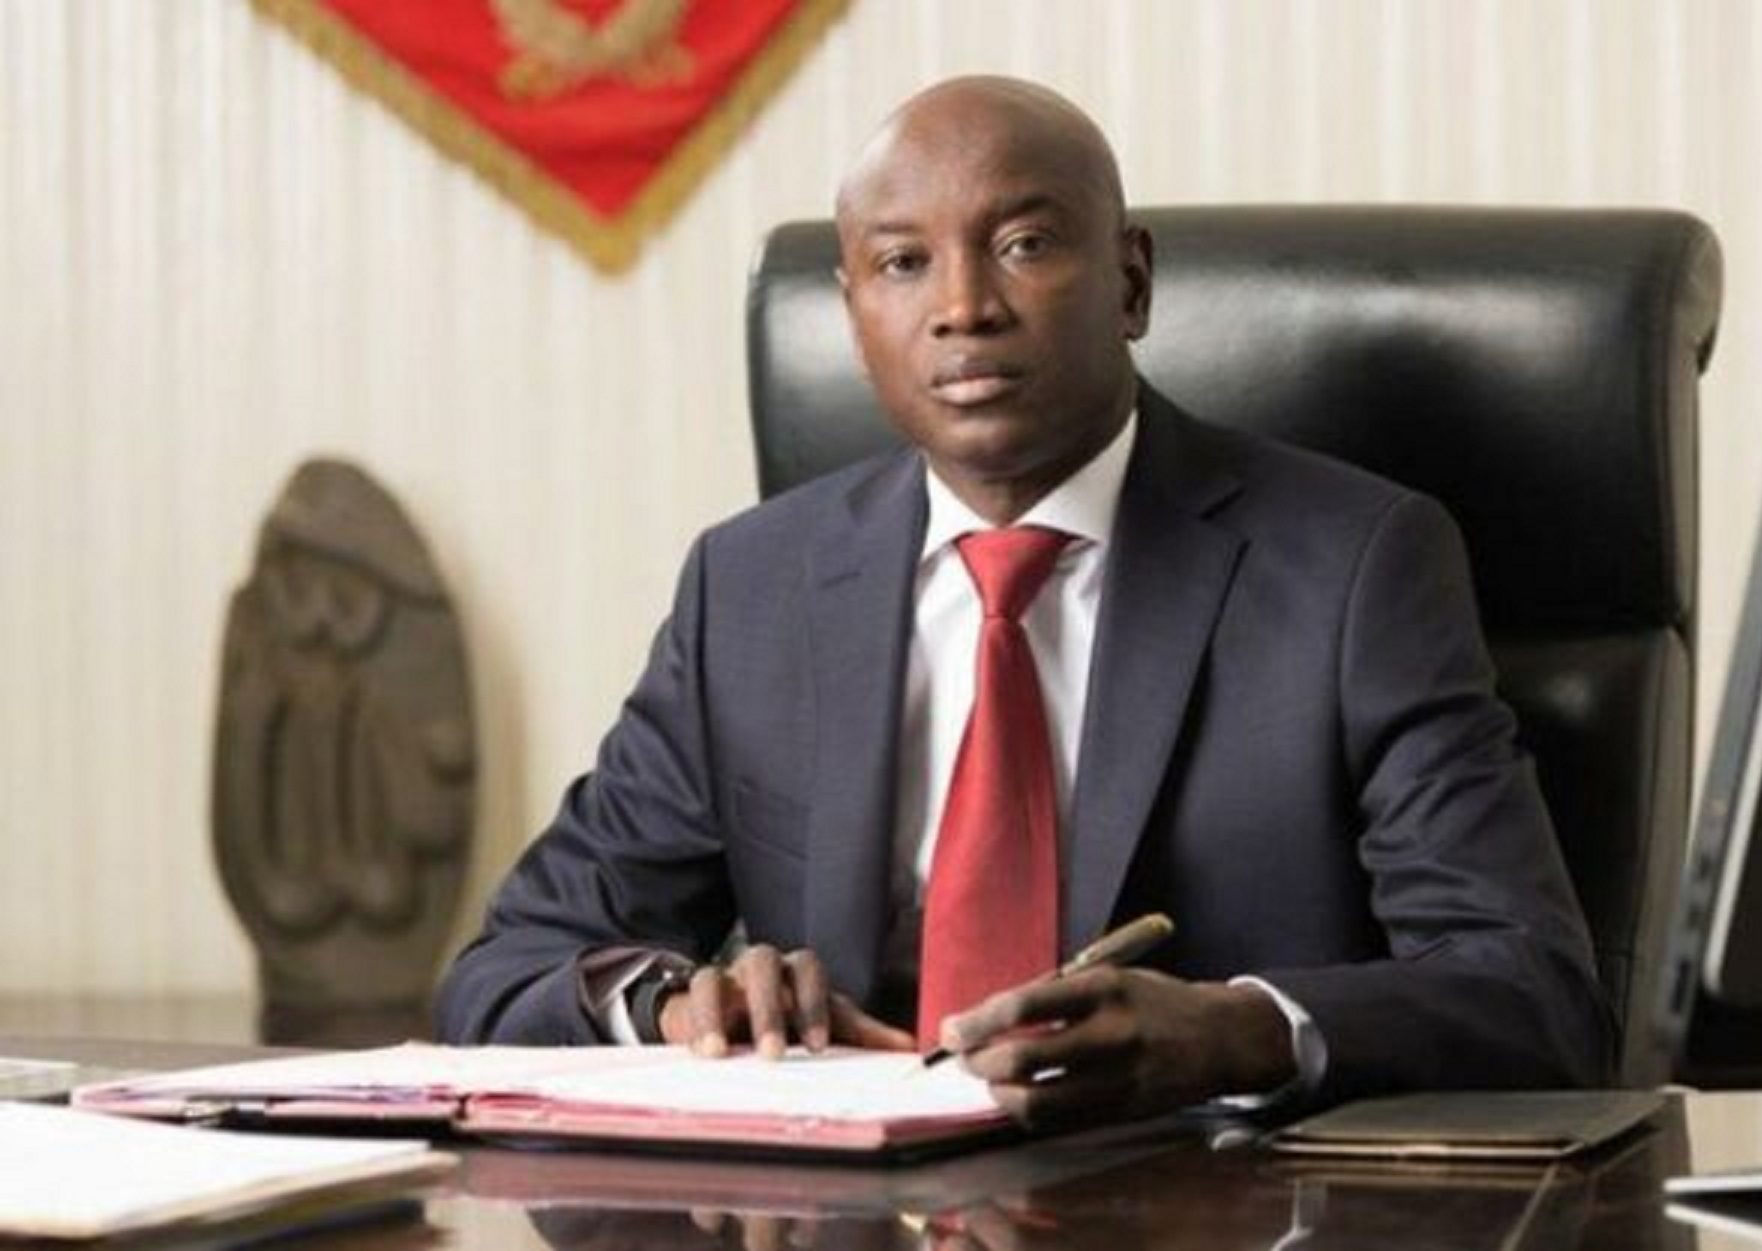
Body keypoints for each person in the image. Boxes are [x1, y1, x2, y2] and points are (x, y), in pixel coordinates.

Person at [436, 76, 1611, 1124]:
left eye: (1025, 244)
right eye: (903, 264)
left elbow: (1536, 996)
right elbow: (506, 969)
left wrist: (1230, 1033)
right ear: (853, 318)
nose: (964, 308)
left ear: (1131, 282)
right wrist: (673, 1004)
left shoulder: (1356, 566)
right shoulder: (751, 587)